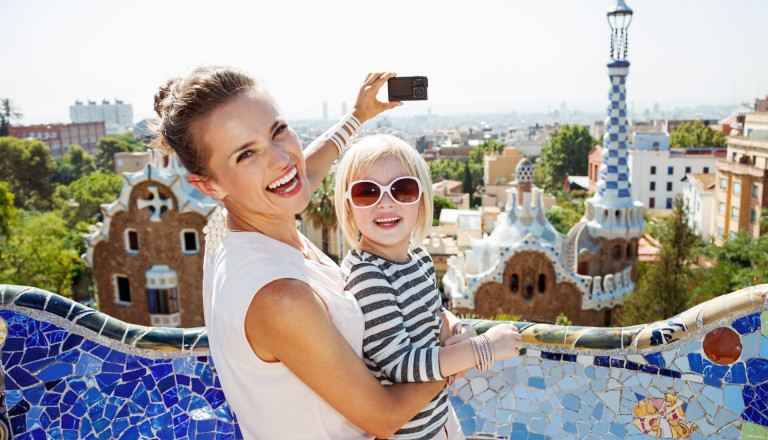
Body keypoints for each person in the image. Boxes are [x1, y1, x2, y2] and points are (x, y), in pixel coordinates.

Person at [150, 66, 524, 440]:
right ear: (208, 185)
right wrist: (465, 352)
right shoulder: (280, 297)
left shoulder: (229, 222)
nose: (281, 160)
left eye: (278, 131)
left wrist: (357, 116)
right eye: (246, 154)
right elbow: (384, 417)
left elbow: (302, 172)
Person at [334, 134, 522, 440]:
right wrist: (482, 348)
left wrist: (460, 328)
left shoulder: (420, 258)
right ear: (348, 206)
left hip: (438, 420)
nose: (385, 202)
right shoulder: (366, 275)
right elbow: (401, 364)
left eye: (403, 189)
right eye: (367, 192)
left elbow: (435, 312)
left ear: (421, 200)